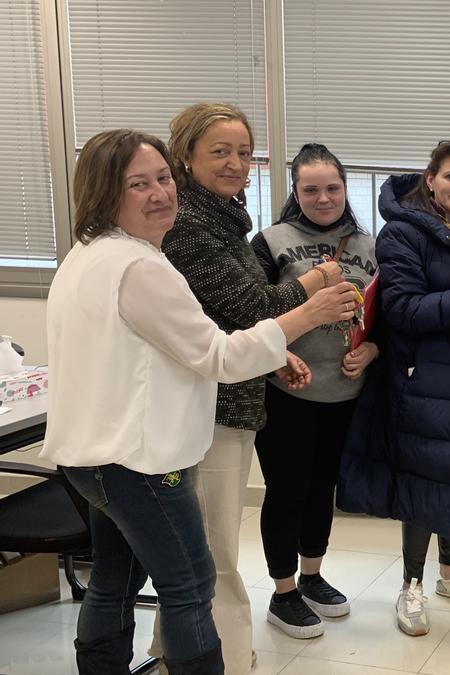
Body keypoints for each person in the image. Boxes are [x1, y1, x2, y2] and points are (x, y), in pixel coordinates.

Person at [41, 129, 356, 674]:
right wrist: (307, 313)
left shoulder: (88, 253)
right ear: (103, 192)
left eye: (162, 178)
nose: (159, 192)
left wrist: (274, 348)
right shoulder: (141, 267)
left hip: (91, 456)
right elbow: (218, 357)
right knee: (189, 584)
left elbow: (169, 346)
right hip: (139, 463)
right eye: (138, 184)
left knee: (113, 581)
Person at [157, 102, 347, 673]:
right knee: (212, 546)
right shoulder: (190, 225)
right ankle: (226, 657)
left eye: (243, 151)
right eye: (220, 151)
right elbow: (252, 306)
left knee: (206, 540)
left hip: (240, 389)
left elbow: (222, 320)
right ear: (185, 156)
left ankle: (175, 649)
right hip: (209, 404)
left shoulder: (221, 215)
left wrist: (274, 354)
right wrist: (314, 290)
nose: (236, 162)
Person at [338, 141, 450, 636]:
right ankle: (411, 586)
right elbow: (401, 311)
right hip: (426, 379)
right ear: (430, 179)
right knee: (423, 480)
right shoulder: (401, 234)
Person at [248, 143, 378, 638]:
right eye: (311, 189)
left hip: (345, 394)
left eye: (333, 188)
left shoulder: (369, 246)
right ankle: (283, 594)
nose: (324, 198)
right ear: (295, 191)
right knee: (287, 490)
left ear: (345, 190)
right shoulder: (271, 241)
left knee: (323, 488)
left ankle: (312, 575)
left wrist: (372, 352)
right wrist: (277, 356)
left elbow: (382, 315)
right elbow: (252, 311)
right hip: (287, 394)